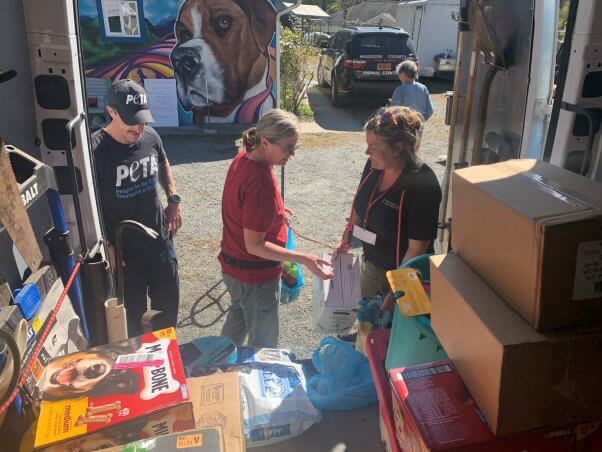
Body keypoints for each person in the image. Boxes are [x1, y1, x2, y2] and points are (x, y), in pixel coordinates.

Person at [219, 109, 333, 348]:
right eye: (287, 149)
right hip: (255, 277)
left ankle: (216, 370)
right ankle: (251, 379)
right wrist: (304, 258)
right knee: (264, 345)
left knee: (236, 323)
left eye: (295, 148)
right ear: (264, 142)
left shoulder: (244, 157)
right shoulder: (261, 181)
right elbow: (255, 245)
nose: (291, 155)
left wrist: (276, 211)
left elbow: (246, 208)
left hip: (234, 270)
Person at [92, 79, 182, 337]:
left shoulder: (150, 136)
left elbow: (163, 161)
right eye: (132, 120)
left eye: (143, 119)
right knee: (133, 321)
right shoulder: (95, 150)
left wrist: (173, 199)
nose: (139, 127)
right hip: (125, 254)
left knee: (167, 313)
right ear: (112, 112)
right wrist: (107, 245)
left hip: (160, 244)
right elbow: (89, 206)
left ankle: (167, 359)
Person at [336, 106, 441, 310]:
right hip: (372, 263)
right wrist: (345, 241)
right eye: (367, 145)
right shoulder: (374, 166)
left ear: (398, 147)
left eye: (374, 147)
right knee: (365, 322)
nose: (367, 152)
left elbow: (416, 249)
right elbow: (359, 204)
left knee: (391, 333)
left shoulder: (423, 184)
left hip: (405, 275)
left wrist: (395, 294)